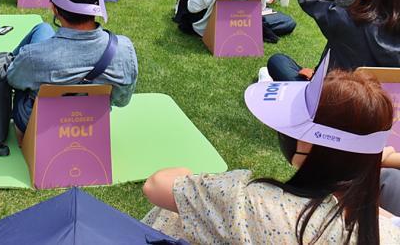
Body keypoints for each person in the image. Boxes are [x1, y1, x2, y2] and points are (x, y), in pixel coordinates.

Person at [143, 66, 400, 243]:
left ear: (309, 145)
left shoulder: (248, 202)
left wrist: (191, 176)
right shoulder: (386, 233)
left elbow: (156, 185)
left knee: (173, 215)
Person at [7, 0, 138, 134]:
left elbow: (13, 79)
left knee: (42, 29)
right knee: (44, 29)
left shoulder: (33, 56)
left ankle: (8, 58)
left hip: (39, 127)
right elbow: (122, 101)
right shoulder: (124, 48)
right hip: (92, 126)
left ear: (54, 8)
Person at [267, 0, 400, 82]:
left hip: (333, 97)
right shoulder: (345, 19)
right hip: (386, 101)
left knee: (278, 61)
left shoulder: (345, 20)